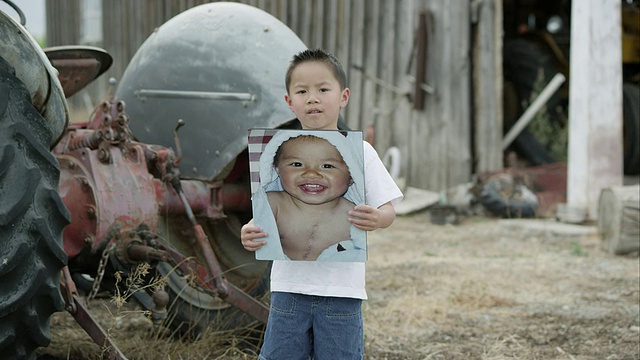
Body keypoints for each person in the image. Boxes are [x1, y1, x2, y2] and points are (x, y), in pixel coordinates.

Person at [241, 48, 403, 359]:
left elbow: (388, 209)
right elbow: (264, 218)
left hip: (341, 292)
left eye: (323, 89)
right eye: (302, 91)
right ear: (289, 101)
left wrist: (377, 218)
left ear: (343, 97)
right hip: (288, 289)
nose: (312, 98)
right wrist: (251, 232)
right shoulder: (277, 152)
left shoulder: (361, 152)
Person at [254, 131, 367, 262]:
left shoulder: (354, 214)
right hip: (287, 279)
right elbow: (256, 224)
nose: (311, 174)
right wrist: (249, 232)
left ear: (352, 175)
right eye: (297, 164)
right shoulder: (273, 203)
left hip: (335, 279)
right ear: (277, 170)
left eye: (327, 166)